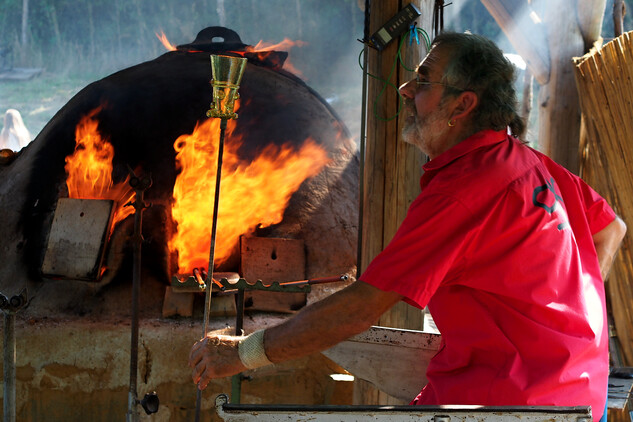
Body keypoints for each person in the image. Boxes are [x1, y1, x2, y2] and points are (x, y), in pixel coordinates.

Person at [189, 32, 626, 421]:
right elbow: (613, 229)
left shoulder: (463, 190)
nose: (404, 90)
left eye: (423, 81)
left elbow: (363, 306)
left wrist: (244, 352)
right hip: (582, 392)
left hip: (514, 405)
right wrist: (565, 319)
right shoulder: (525, 162)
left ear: (463, 104)